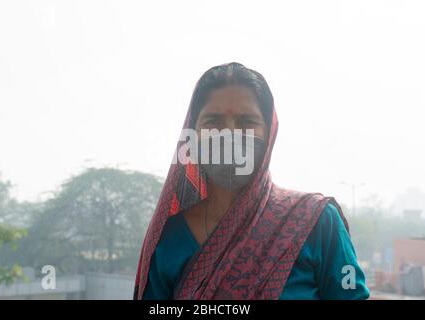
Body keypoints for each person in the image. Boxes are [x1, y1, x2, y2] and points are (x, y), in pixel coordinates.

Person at [134, 62, 370, 300]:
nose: (229, 135)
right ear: (192, 136)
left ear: (269, 134)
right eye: (213, 122)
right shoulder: (168, 240)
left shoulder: (317, 222)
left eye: (247, 123)